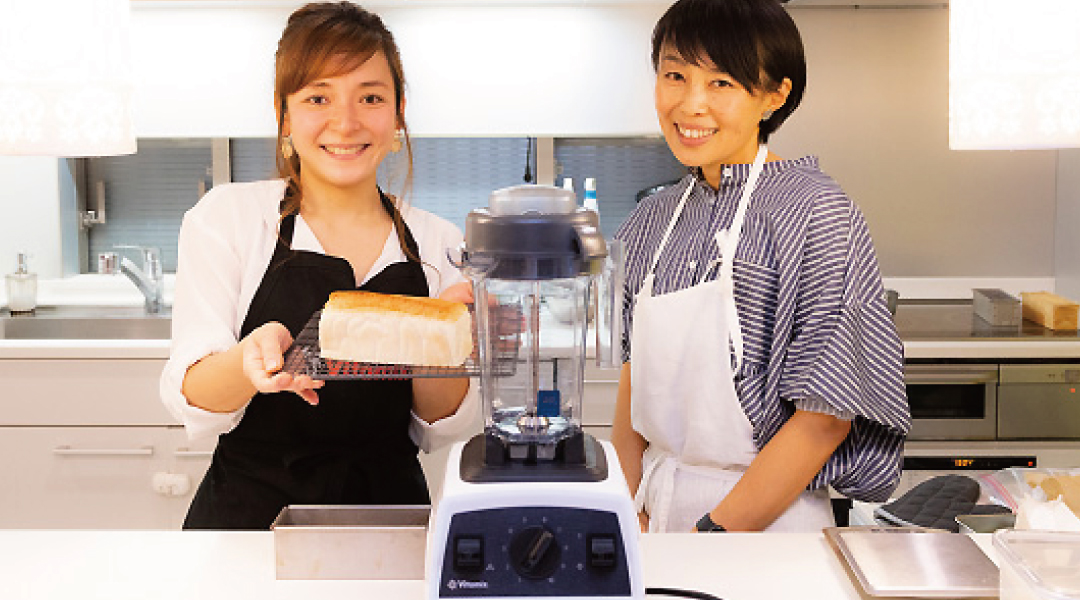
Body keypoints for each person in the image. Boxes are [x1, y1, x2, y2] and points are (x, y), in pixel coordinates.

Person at [159, 1, 477, 530]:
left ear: (398, 114)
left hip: (392, 523)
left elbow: (439, 428)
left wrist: (440, 350)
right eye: (318, 97)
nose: (346, 122)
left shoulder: (439, 243)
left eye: (370, 97)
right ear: (284, 116)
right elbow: (191, 395)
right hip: (247, 524)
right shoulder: (228, 219)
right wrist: (247, 363)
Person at [611, 0, 910, 533]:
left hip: (770, 521)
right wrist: (622, 510)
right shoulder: (649, 220)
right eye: (675, 75)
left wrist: (714, 534)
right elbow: (634, 386)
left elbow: (825, 416)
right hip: (653, 512)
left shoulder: (817, 211)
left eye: (721, 83)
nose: (691, 105)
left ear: (775, 95)